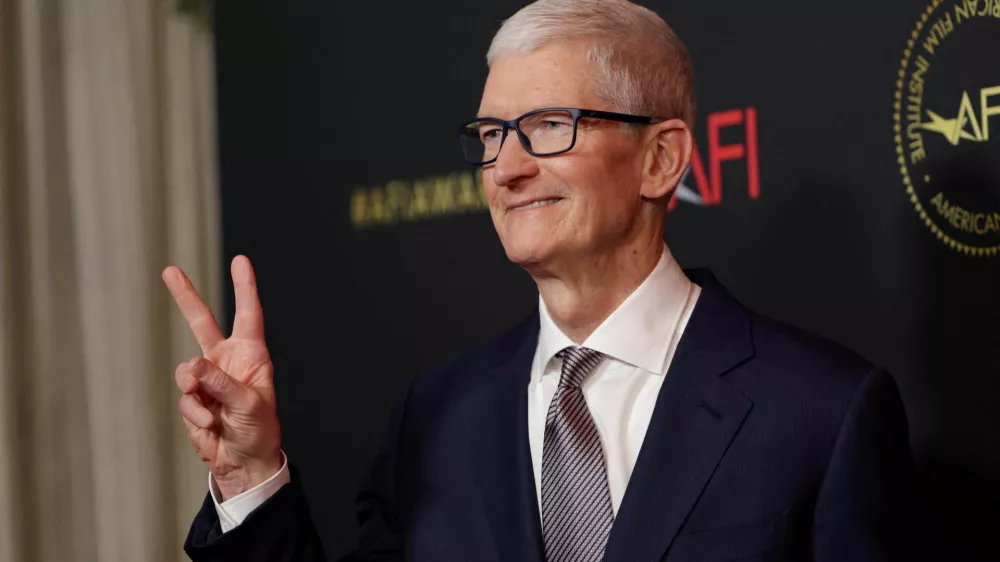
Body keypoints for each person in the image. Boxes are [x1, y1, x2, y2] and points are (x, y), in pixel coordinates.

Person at [164, 1, 919, 560]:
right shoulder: (438, 415)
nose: (510, 167)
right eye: (492, 135)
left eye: (550, 126)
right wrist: (251, 472)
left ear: (661, 159)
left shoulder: (821, 412)